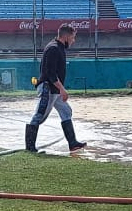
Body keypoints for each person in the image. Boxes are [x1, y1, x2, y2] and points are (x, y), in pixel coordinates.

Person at [25, 25, 87, 153]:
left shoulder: (59, 48)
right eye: (72, 37)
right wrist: (62, 89)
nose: (73, 40)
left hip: (55, 89)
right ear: (66, 36)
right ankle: (30, 147)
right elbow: (50, 74)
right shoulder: (53, 48)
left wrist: (60, 90)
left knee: (66, 111)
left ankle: (73, 143)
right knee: (40, 116)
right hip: (48, 88)